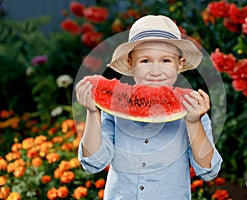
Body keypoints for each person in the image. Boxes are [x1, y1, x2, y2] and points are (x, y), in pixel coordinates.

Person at [76, 15, 222, 200]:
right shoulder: (114, 110)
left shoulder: (192, 108)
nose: (155, 71)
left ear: (180, 64)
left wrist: (194, 123)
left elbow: (208, 171)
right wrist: (92, 111)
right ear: (131, 64)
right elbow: (93, 163)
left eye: (166, 61)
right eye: (145, 61)